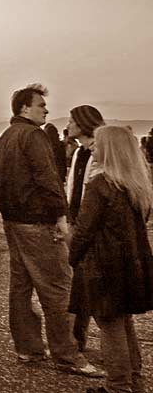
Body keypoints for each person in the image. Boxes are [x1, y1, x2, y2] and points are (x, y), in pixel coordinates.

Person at [0, 83, 102, 378]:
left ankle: (28, 347)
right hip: (36, 220)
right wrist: (60, 215)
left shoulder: (7, 135)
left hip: (12, 220)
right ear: (24, 108)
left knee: (21, 286)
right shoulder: (33, 135)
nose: (46, 110)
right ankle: (67, 354)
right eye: (41, 105)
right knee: (58, 287)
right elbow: (47, 178)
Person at [69, 125, 153, 393]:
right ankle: (133, 379)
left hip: (103, 264)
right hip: (130, 262)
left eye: (98, 143)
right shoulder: (135, 185)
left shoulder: (101, 185)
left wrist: (73, 256)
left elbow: (84, 229)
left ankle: (118, 385)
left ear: (110, 149)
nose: (94, 147)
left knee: (110, 325)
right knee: (124, 323)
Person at [65, 105, 105, 353]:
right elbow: (74, 188)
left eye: (71, 121)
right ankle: (78, 337)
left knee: (91, 285)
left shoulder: (98, 152)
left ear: (82, 123)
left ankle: (81, 338)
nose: (68, 125)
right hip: (76, 220)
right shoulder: (80, 153)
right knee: (78, 284)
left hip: (90, 226)